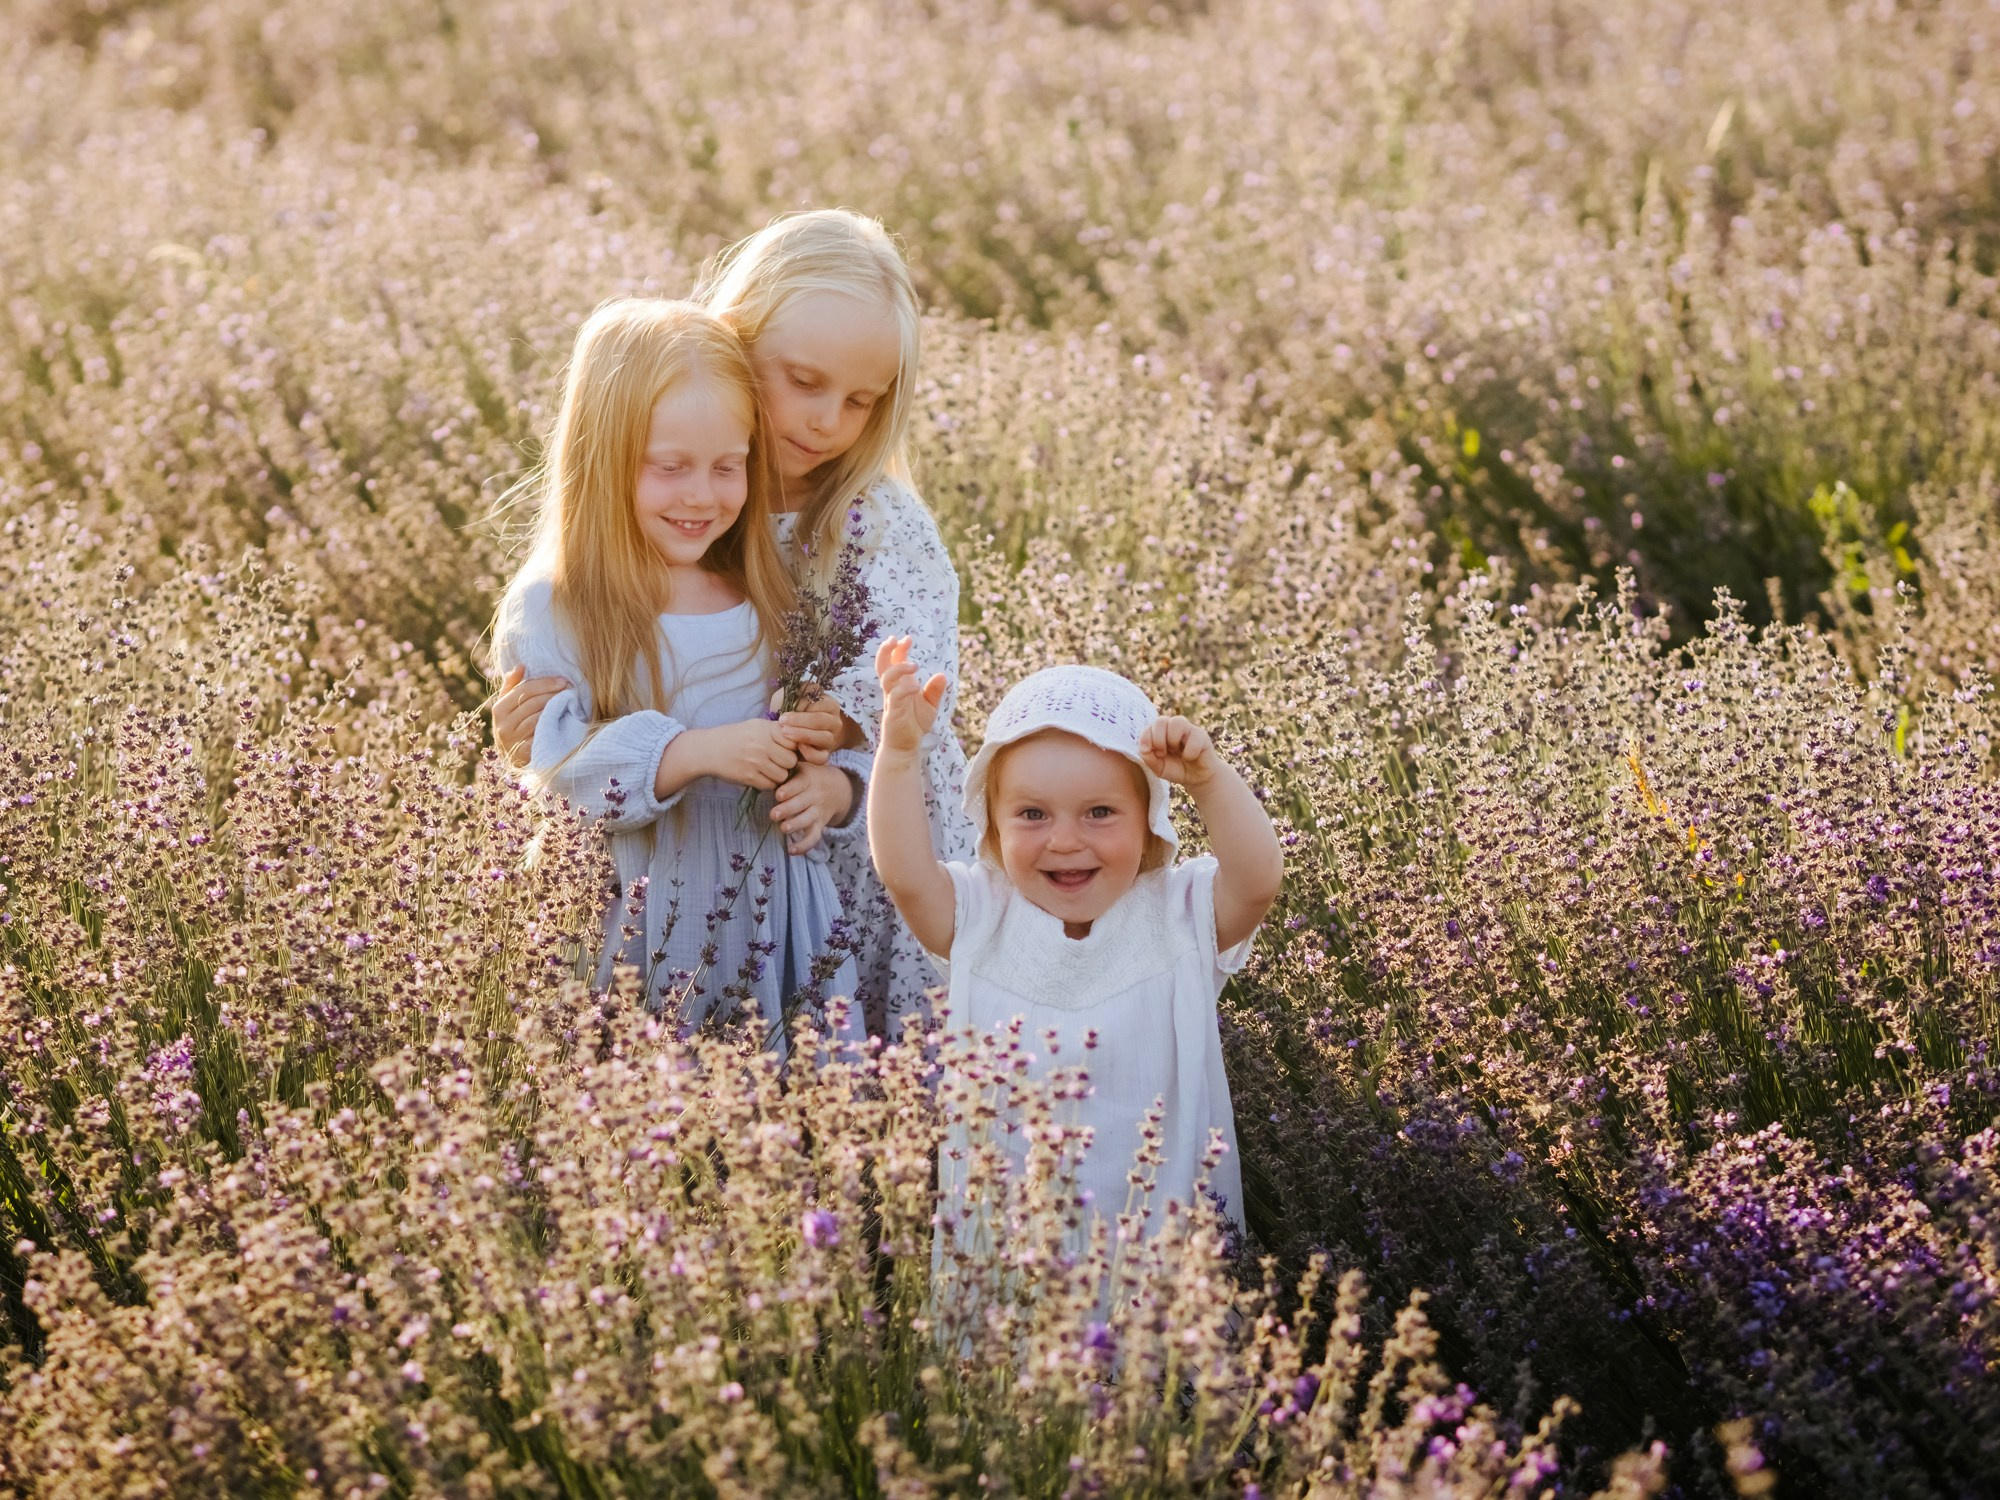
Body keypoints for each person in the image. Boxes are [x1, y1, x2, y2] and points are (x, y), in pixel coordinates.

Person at [495, 209, 977, 1040]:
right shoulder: (694, 504)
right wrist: (540, 741)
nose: (827, 420)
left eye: (860, 400)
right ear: (733, 343)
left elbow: (917, 676)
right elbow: (571, 714)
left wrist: (841, 739)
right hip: (671, 876)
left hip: (856, 851)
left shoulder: (874, 523)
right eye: (803, 380)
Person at [491, 297, 864, 1044]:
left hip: (774, 923)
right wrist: (691, 752)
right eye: (670, 468)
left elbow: (834, 741)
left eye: (728, 467)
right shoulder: (558, 607)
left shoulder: (768, 595)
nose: (702, 494)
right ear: (603, 460)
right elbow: (557, 772)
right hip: (638, 928)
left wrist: (836, 787)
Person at [867, 644, 1285, 1239]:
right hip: (1010, 1247)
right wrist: (900, 756)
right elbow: (906, 876)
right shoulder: (981, 916)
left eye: (1100, 812)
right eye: (1033, 814)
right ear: (993, 826)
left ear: (1149, 824)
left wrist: (1209, 780)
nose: (1065, 840)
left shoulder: (1178, 915)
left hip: (1162, 1247)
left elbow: (1258, 879)